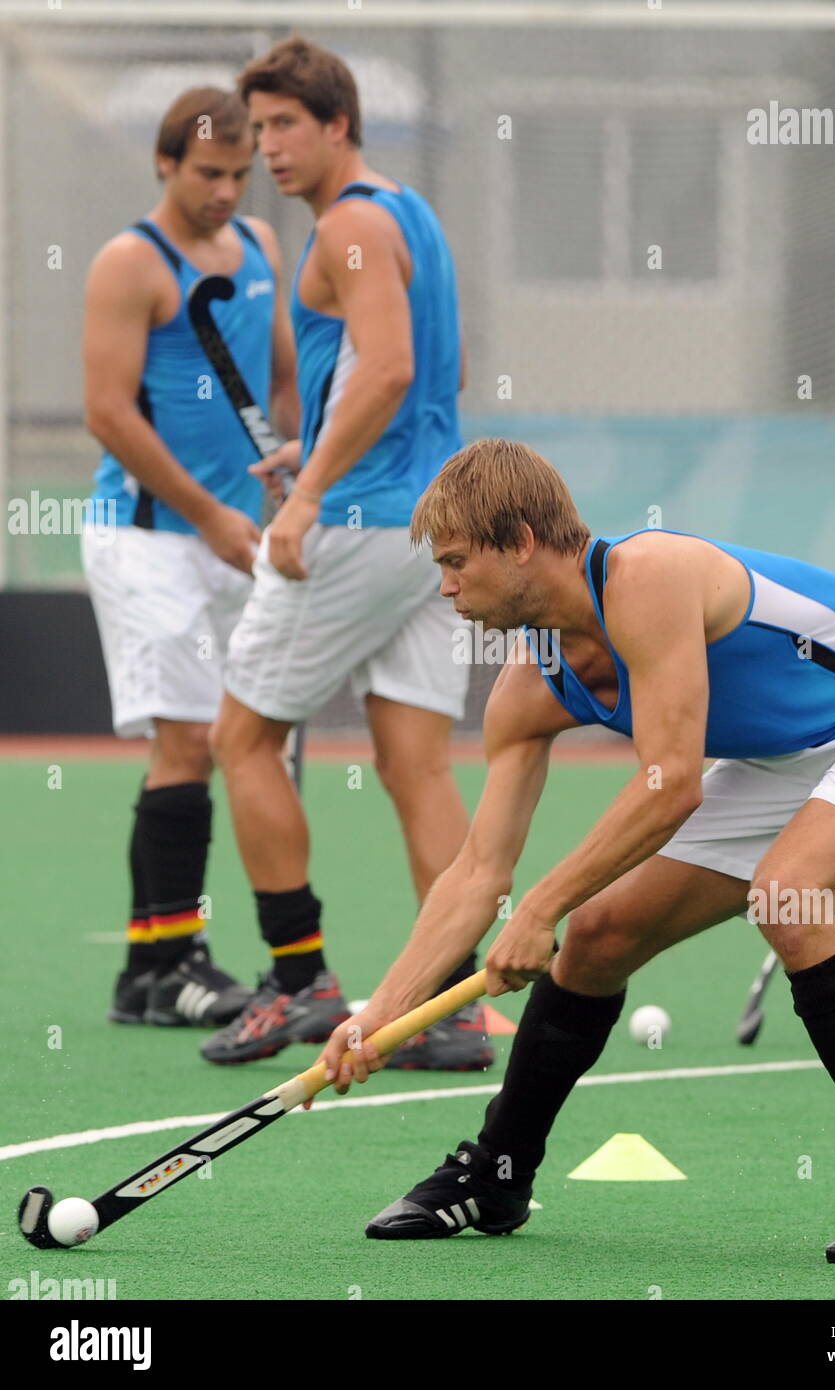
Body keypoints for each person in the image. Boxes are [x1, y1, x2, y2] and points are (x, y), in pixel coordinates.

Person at [313, 438, 835, 1264]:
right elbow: (475, 871)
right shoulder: (529, 687)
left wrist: (537, 909)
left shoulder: (650, 575)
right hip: (789, 754)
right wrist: (378, 1018)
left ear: (521, 539)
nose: (446, 585)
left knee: (790, 892)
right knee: (599, 937)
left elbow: (671, 784)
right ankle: (497, 1175)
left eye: (458, 562)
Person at [204, 38, 490, 1071]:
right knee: (414, 762)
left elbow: (391, 363)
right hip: (429, 525)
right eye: (257, 127)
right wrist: (312, 439)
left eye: (284, 125)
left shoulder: (352, 222)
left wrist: (310, 492)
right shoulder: (406, 211)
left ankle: (296, 982)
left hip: (361, 523)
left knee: (239, 739)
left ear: (337, 124)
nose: (265, 146)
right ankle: (452, 1001)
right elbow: (389, 384)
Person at [82, 87, 298, 1030]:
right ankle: (170, 965)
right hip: (149, 538)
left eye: (239, 173)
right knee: (188, 741)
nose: (225, 190)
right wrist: (209, 512)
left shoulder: (260, 245)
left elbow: (284, 373)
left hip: (235, 535)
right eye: (208, 173)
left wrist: (302, 470)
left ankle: (151, 967)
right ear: (166, 164)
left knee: (238, 739)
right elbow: (108, 410)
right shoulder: (131, 262)